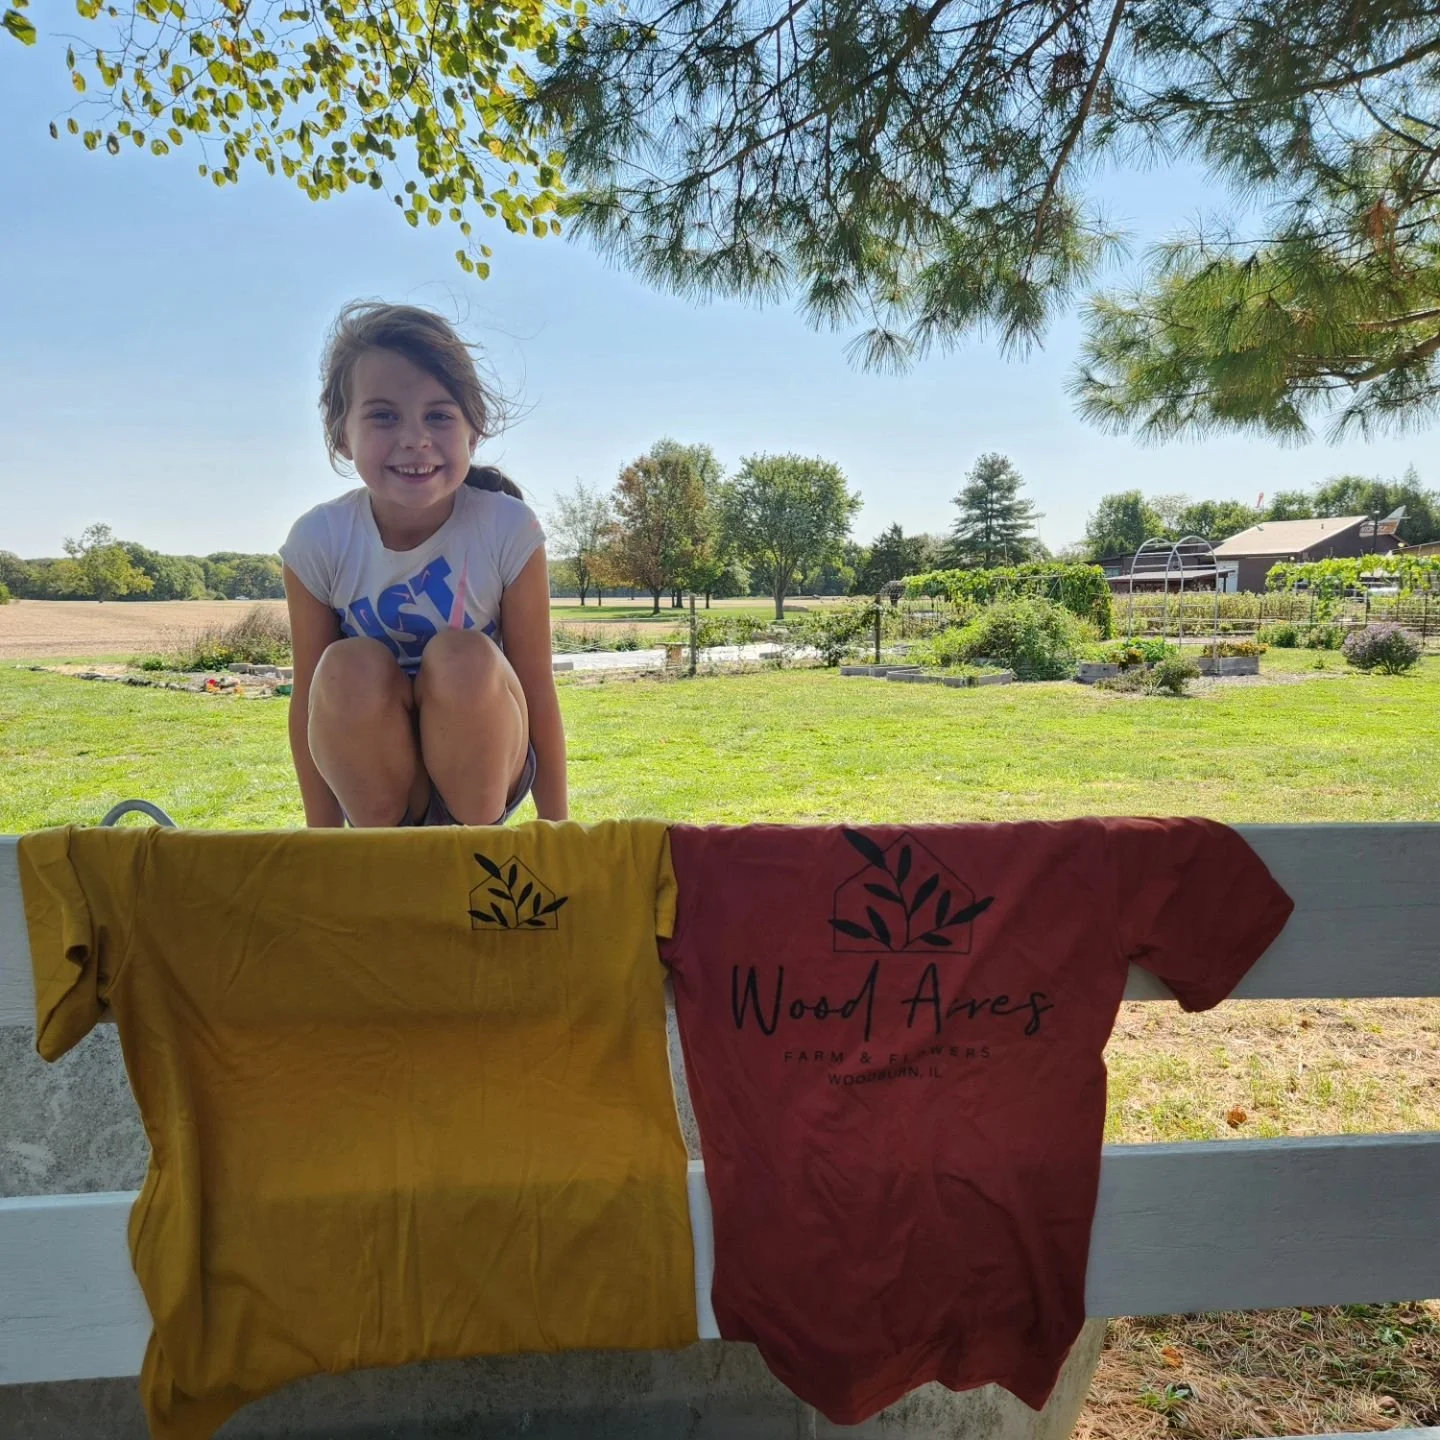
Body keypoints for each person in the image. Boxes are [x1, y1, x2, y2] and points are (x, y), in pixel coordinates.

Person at [280, 301, 567, 828]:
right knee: (345, 667)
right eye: (384, 415)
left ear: (473, 432)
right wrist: (318, 847)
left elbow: (535, 686)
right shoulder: (317, 541)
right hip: (379, 783)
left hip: (485, 772)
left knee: (463, 659)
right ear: (343, 435)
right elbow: (309, 701)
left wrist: (558, 831)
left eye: (438, 414)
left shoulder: (509, 528)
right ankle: (382, 858)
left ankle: (477, 851)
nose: (415, 438)